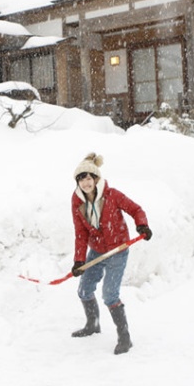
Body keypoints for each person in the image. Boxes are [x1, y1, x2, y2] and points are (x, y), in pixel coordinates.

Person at [70, 152, 151, 355]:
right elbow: (80, 233)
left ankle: (125, 338)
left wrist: (142, 225)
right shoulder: (77, 201)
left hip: (118, 250)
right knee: (84, 289)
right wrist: (79, 260)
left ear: (96, 179)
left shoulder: (112, 195)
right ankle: (93, 324)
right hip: (97, 250)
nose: (86, 182)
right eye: (81, 179)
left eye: (89, 177)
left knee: (109, 295)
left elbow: (136, 209)